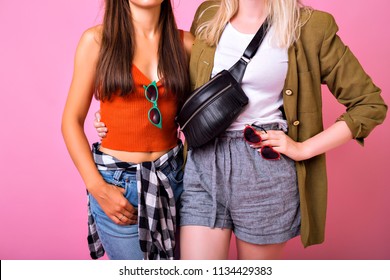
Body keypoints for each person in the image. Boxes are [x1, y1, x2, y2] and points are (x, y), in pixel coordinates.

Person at [94, 0, 387, 260]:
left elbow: (369, 104)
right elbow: (191, 91)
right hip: (203, 164)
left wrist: (303, 148)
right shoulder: (209, 14)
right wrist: (122, 115)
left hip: (264, 169)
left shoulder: (309, 26)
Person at [62, 0, 193, 260]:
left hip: (176, 181)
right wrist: (98, 188)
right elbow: (71, 120)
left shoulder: (188, 44)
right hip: (119, 187)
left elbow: (203, 111)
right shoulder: (97, 41)